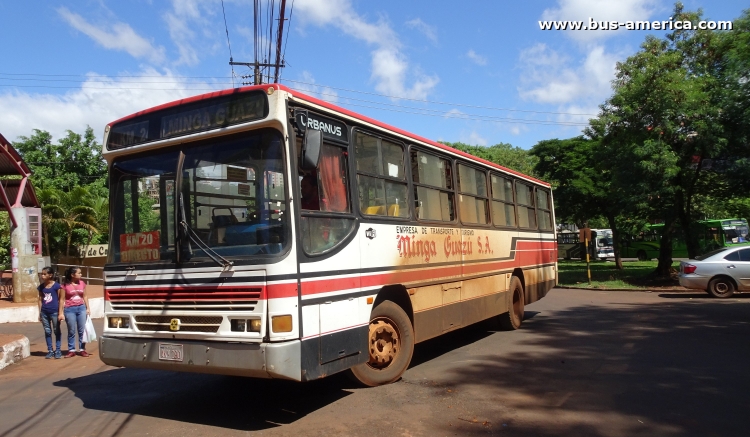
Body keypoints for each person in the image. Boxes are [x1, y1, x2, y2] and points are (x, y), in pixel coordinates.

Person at [58, 266, 91, 358]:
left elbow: (85, 296)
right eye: (79, 273)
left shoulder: (82, 283)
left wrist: (88, 308)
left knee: (82, 330)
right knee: (71, 330)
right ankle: (71, 350)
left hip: (81, 308)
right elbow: (61, 299)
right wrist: (60, 313)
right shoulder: (64, 286)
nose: (81, 274)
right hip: (69, 309)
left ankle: (82, 349)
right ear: (72, 275)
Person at [37, 267, 63, 359]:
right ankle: (50, 350)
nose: (42, 276)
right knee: (47, 331)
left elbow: (61, 299)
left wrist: (60, 313)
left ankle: (58, 350)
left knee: (57, 331)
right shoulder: (41, 287)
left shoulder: (57, 286)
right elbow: (40, 300)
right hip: (44, 312)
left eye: (44, 274)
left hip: (55, 312)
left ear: (50, 275)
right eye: (42, 274)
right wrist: (40, 312)